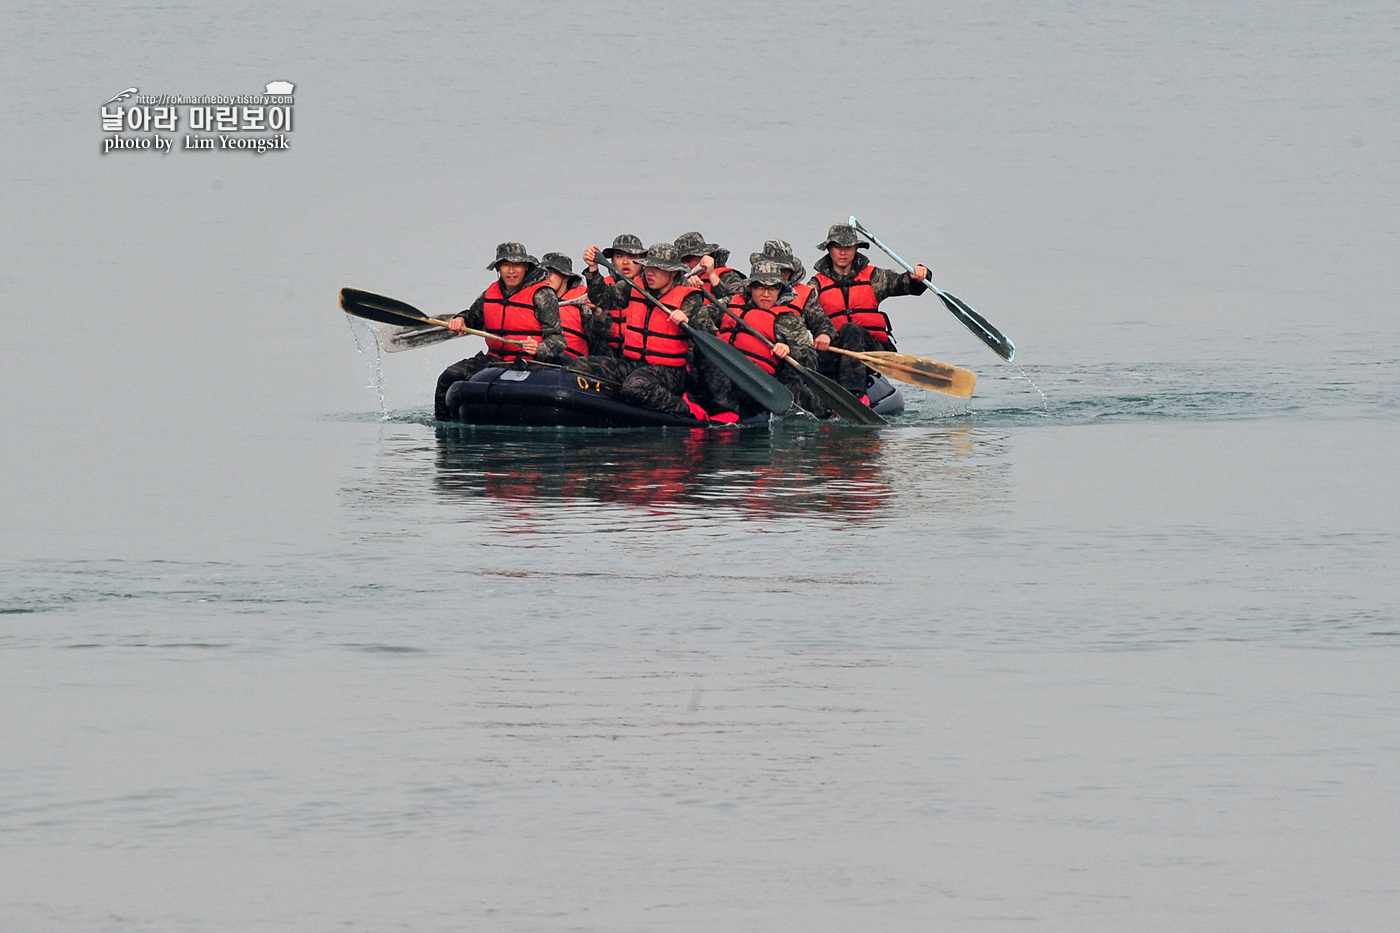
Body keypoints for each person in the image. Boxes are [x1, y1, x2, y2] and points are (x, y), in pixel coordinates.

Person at [573, 243, 734, 421]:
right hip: (633, 363)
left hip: (668, 371)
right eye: (648, 267)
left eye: (657, 269)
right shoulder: (634, 285)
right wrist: (593, 270)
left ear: (673, 272)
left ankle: (685, 407)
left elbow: (708, 339)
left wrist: (687, 323)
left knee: (634, 387)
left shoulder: (689, 298)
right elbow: (603, 298)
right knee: (579, 367)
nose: (650, 273)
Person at [433, 242, 565, 420]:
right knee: (449, 376)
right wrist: (461, 319)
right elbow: (473, 316)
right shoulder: (490, 293)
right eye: (505, 265)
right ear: (498, 268)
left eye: (517, 265)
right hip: (494, 360)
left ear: (526, 267)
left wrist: (539, 348)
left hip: (530, 363)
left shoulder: (542, 295)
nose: (511, 271)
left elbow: (557, 339)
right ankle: (444, 428)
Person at [809, 223, 930, 398]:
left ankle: (856, 396)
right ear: (829, 249)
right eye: (837, 247)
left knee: (851, 329)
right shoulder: (816, 285)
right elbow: (798, 311)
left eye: (848, 247)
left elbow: (907, 285)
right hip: (835, 351)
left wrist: (919, 274)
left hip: (873, 351)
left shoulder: (874, 277)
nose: (843, 253)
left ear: (856, 248)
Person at [716, 259, 828, 416]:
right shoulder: (730, 303)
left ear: (780, 290)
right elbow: (701, 317)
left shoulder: (788, 319)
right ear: (750, 287)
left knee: (793, 383)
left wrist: (789, 349)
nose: (766, 294)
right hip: (727, 372)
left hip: (764, 384)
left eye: (772, 288)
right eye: (760, 287)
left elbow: (810, 359)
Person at [753, 238, 837, 354]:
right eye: (775, 269)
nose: (780, 274)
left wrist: (825, 335)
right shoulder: (751, 290)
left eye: (785, 270)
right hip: (751, 353)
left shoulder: (804, 294)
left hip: (791, 357)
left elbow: (823, 323)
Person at [581, 234, 647, 356]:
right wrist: (597, 313)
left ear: (642, 260)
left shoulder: (653, 288)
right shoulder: (597, 290)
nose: (626, 262)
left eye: (632, 256)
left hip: (641, 357)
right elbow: (590, 335)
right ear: (612, 261)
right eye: (620, 256)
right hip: (607, 355)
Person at [539, 252, 593, 360]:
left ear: (566, 277)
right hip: (541, 359)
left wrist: (598, 313)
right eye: (543, 272)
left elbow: (597, 335)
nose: (546, 277)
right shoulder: (534, 298)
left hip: (572, 365)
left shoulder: (582, 300)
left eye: (552, 272)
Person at [674, 231, 744, 299]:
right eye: (682, 263)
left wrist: (712, 276)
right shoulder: (677, 282)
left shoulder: (728, 276)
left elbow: (738, 302)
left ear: (705, 255)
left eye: (689, 260)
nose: (686, 266)